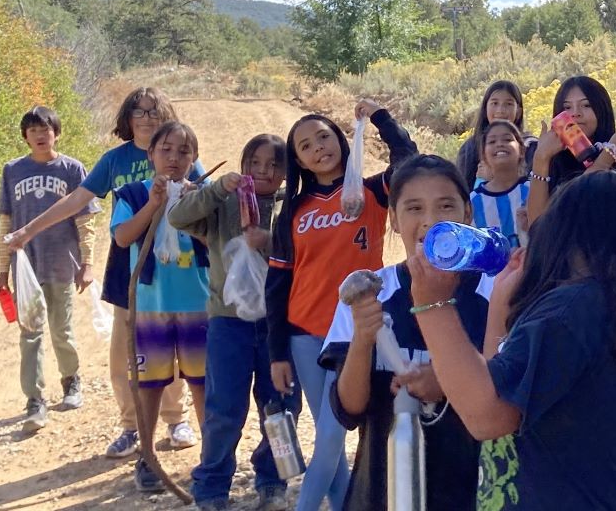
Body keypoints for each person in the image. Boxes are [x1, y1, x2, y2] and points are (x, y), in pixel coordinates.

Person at [412, 171, 616, 510]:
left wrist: (432, 304)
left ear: (563, 231)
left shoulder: (571, 310)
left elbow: (486, 416)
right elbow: (504, 396)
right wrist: (499, 310)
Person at [5, 87, 205, 457]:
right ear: (127, 119)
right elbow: (77, 201)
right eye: (138, 112)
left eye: (153, 111)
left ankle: (176, 420)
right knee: (127, 352)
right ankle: (131, 426)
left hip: (177, 271)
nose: (146, 118)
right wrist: (28, 231)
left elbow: (207, 200)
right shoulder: (114, 161)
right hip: (129, 267)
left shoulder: (180, 151)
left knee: (174, 346)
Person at [266, 100, 418, 511]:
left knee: (331, 440)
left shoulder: (369, 192)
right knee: (329, 442)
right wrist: (277, 352)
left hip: (353, 332)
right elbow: (278, 284)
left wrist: (379, 119)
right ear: (298, 160)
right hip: (303, 332)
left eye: (324, 137)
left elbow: (410, 160)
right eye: (305, 146)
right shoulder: (293, 211)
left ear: (340, 138)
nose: (318, 148)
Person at [322, 154, 492, 511]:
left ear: (468, 214)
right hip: (383, 492)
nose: (430, 221)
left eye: (446, 206)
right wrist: (363, 339)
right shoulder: (369, 293)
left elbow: (510, 396)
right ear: (394, 220)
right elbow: (349, 411)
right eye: (414, 208)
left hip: (473, 492)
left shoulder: (497, 294)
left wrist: (449, 380)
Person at [170, 134, 294, 511]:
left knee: (279, 407)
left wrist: (269, 241)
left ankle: (273, 481)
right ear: (243, 166)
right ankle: (211, 488)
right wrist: (214, 189)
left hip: (281, 325)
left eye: (274, 165)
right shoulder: (224, 204)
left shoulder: (293, 207)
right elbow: (178, 217)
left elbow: (307, 254)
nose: (263, 171)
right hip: (229, 322)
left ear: (286, 171)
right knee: (223, 409)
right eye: (255, 163)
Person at [109, 120, 214, 493]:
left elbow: (215, 241)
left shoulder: (204, 193)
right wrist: (155, 204)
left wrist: (190, 205)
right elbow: (123, 238)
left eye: (184, 152)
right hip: (151, 305)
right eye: (165, 150)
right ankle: (148, 454)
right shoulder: (132, 194)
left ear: (195, 158)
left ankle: (211, 460)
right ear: (150, 154)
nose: (174, 158)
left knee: (203, 383)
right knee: (149, 383)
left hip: (198, 304)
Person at [0, 106, 99, 432]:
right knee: (30, 334)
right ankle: (35, 401)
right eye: (33, 130)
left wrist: (88, 262)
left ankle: (71, 380)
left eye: (46, 129)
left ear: (56, 132)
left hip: (61, 262)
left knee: (61, 330)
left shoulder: (72, 169)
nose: (40, 135)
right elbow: (6, 224)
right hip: (25, 266)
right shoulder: (12, 170)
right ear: (25, 136)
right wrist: (1, 271)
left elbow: (86, 221)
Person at [525, 75, 616, 225]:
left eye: (586, 105)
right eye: (567, 107)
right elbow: (538, 227)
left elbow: (580, 206)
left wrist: (610, 153)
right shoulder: (550, 164)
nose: (576, 113)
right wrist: (541, 158)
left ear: (602, 109)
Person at [455, 80, 534, 190]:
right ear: (485, 108)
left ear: (518, 112)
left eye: (509, 104)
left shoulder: (531, 147)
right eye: (494, 103)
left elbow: (537, 189)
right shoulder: (470, 149)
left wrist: (497, 178)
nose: (500, 110)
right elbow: (461, 194)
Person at [469, 121, 531, 249]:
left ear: (522, 151)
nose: (500, 144)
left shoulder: (534, 190)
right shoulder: (473, 202)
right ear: (484, 156)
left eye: (507, 139)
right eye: (492, 142)